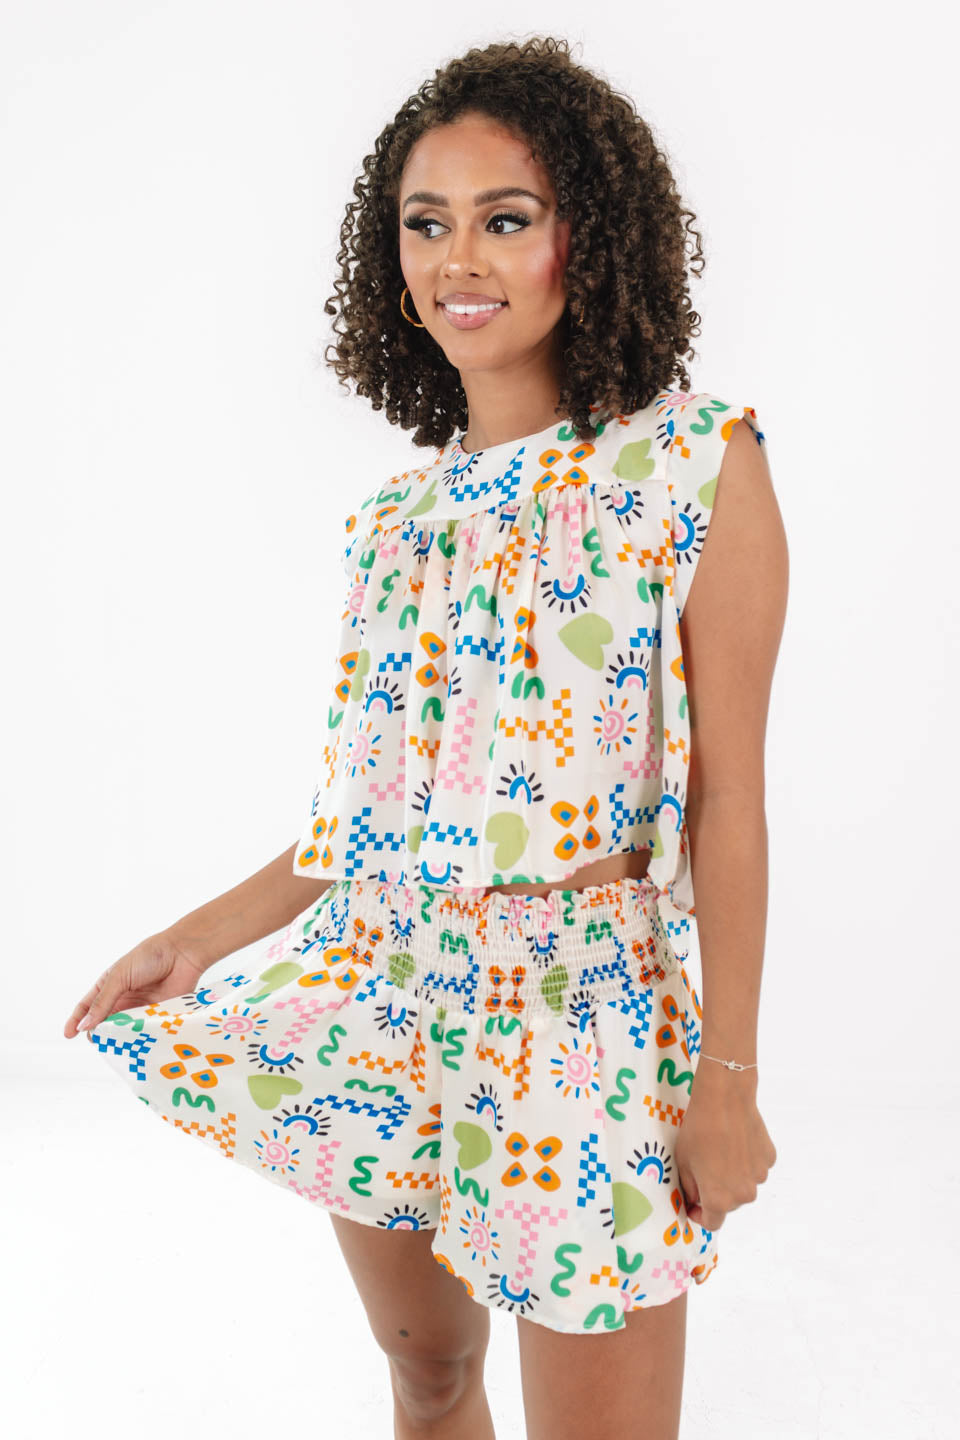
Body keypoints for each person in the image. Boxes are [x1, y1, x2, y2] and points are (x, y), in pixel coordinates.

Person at [64, 35, 786, 1440]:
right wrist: (197, 938)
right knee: (429, 1373)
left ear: (592, 236)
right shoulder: (398, 522)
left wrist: (731, 1082)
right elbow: (370, 818)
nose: (460, 259)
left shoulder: (692, 461)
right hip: (385, 989)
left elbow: (730, 808)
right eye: (426, 222)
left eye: (506, 219)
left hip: (577, 1024)